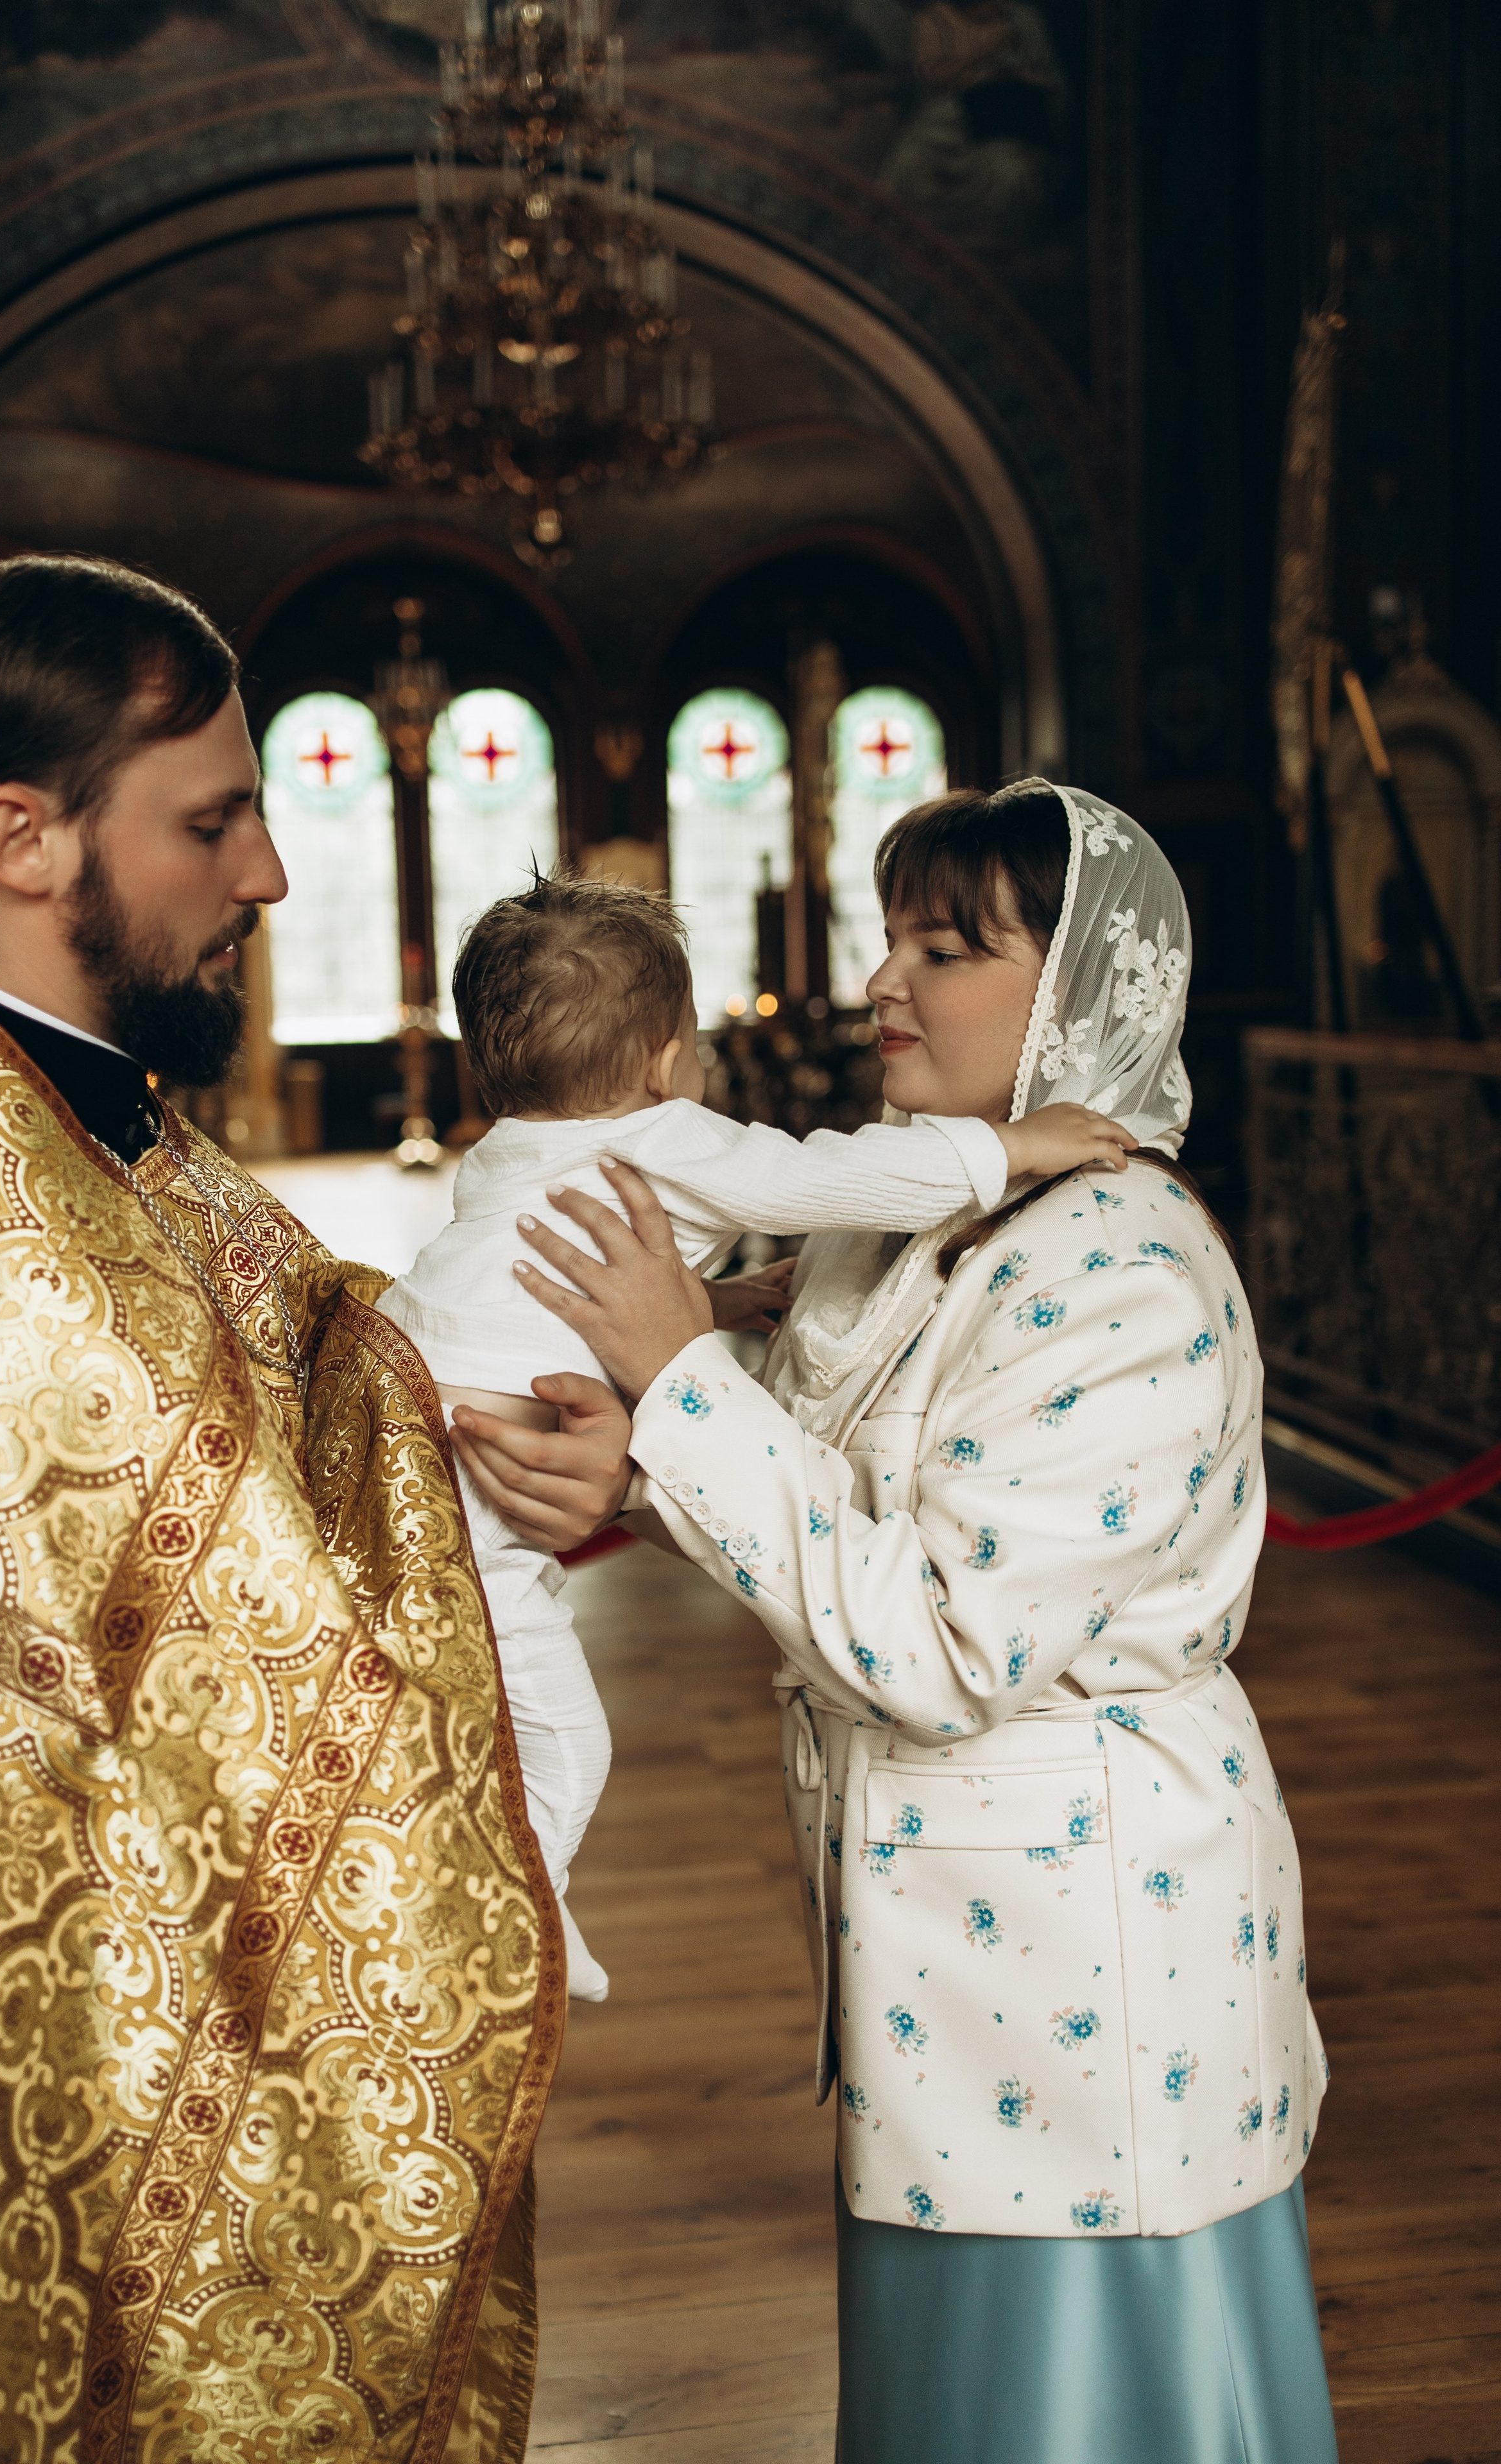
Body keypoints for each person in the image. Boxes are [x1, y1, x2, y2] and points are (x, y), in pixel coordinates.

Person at [459, 780, 1340, 2464]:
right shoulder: (911, 1221)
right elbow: (817, 1468)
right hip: (942, 1960)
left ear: (1075, 995)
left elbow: (938, 1640)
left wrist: (674, 1380)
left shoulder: (1128, 1268)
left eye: (946, 946)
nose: (884, 982)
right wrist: (625, 1467)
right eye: (892, 936)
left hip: (1097, 1961)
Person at [0, 554, 612, 2464]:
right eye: (214, 821)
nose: (268, 876)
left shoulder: (96, 1121)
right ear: (22, 839)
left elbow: (297, 1356)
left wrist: (480, 1420)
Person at [381, 870, 1138, 2004]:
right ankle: (522, 1918)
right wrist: (1012, 1149)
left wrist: (724, 1308)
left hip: (407, 1428)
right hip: (494, 1499)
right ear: (659, 1058)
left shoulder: (504, 1154)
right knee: (564, 1743)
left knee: (448, 1728)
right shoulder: (670, 1137)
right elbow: (831, 1174)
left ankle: (468, 1893)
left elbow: (574, 1298)